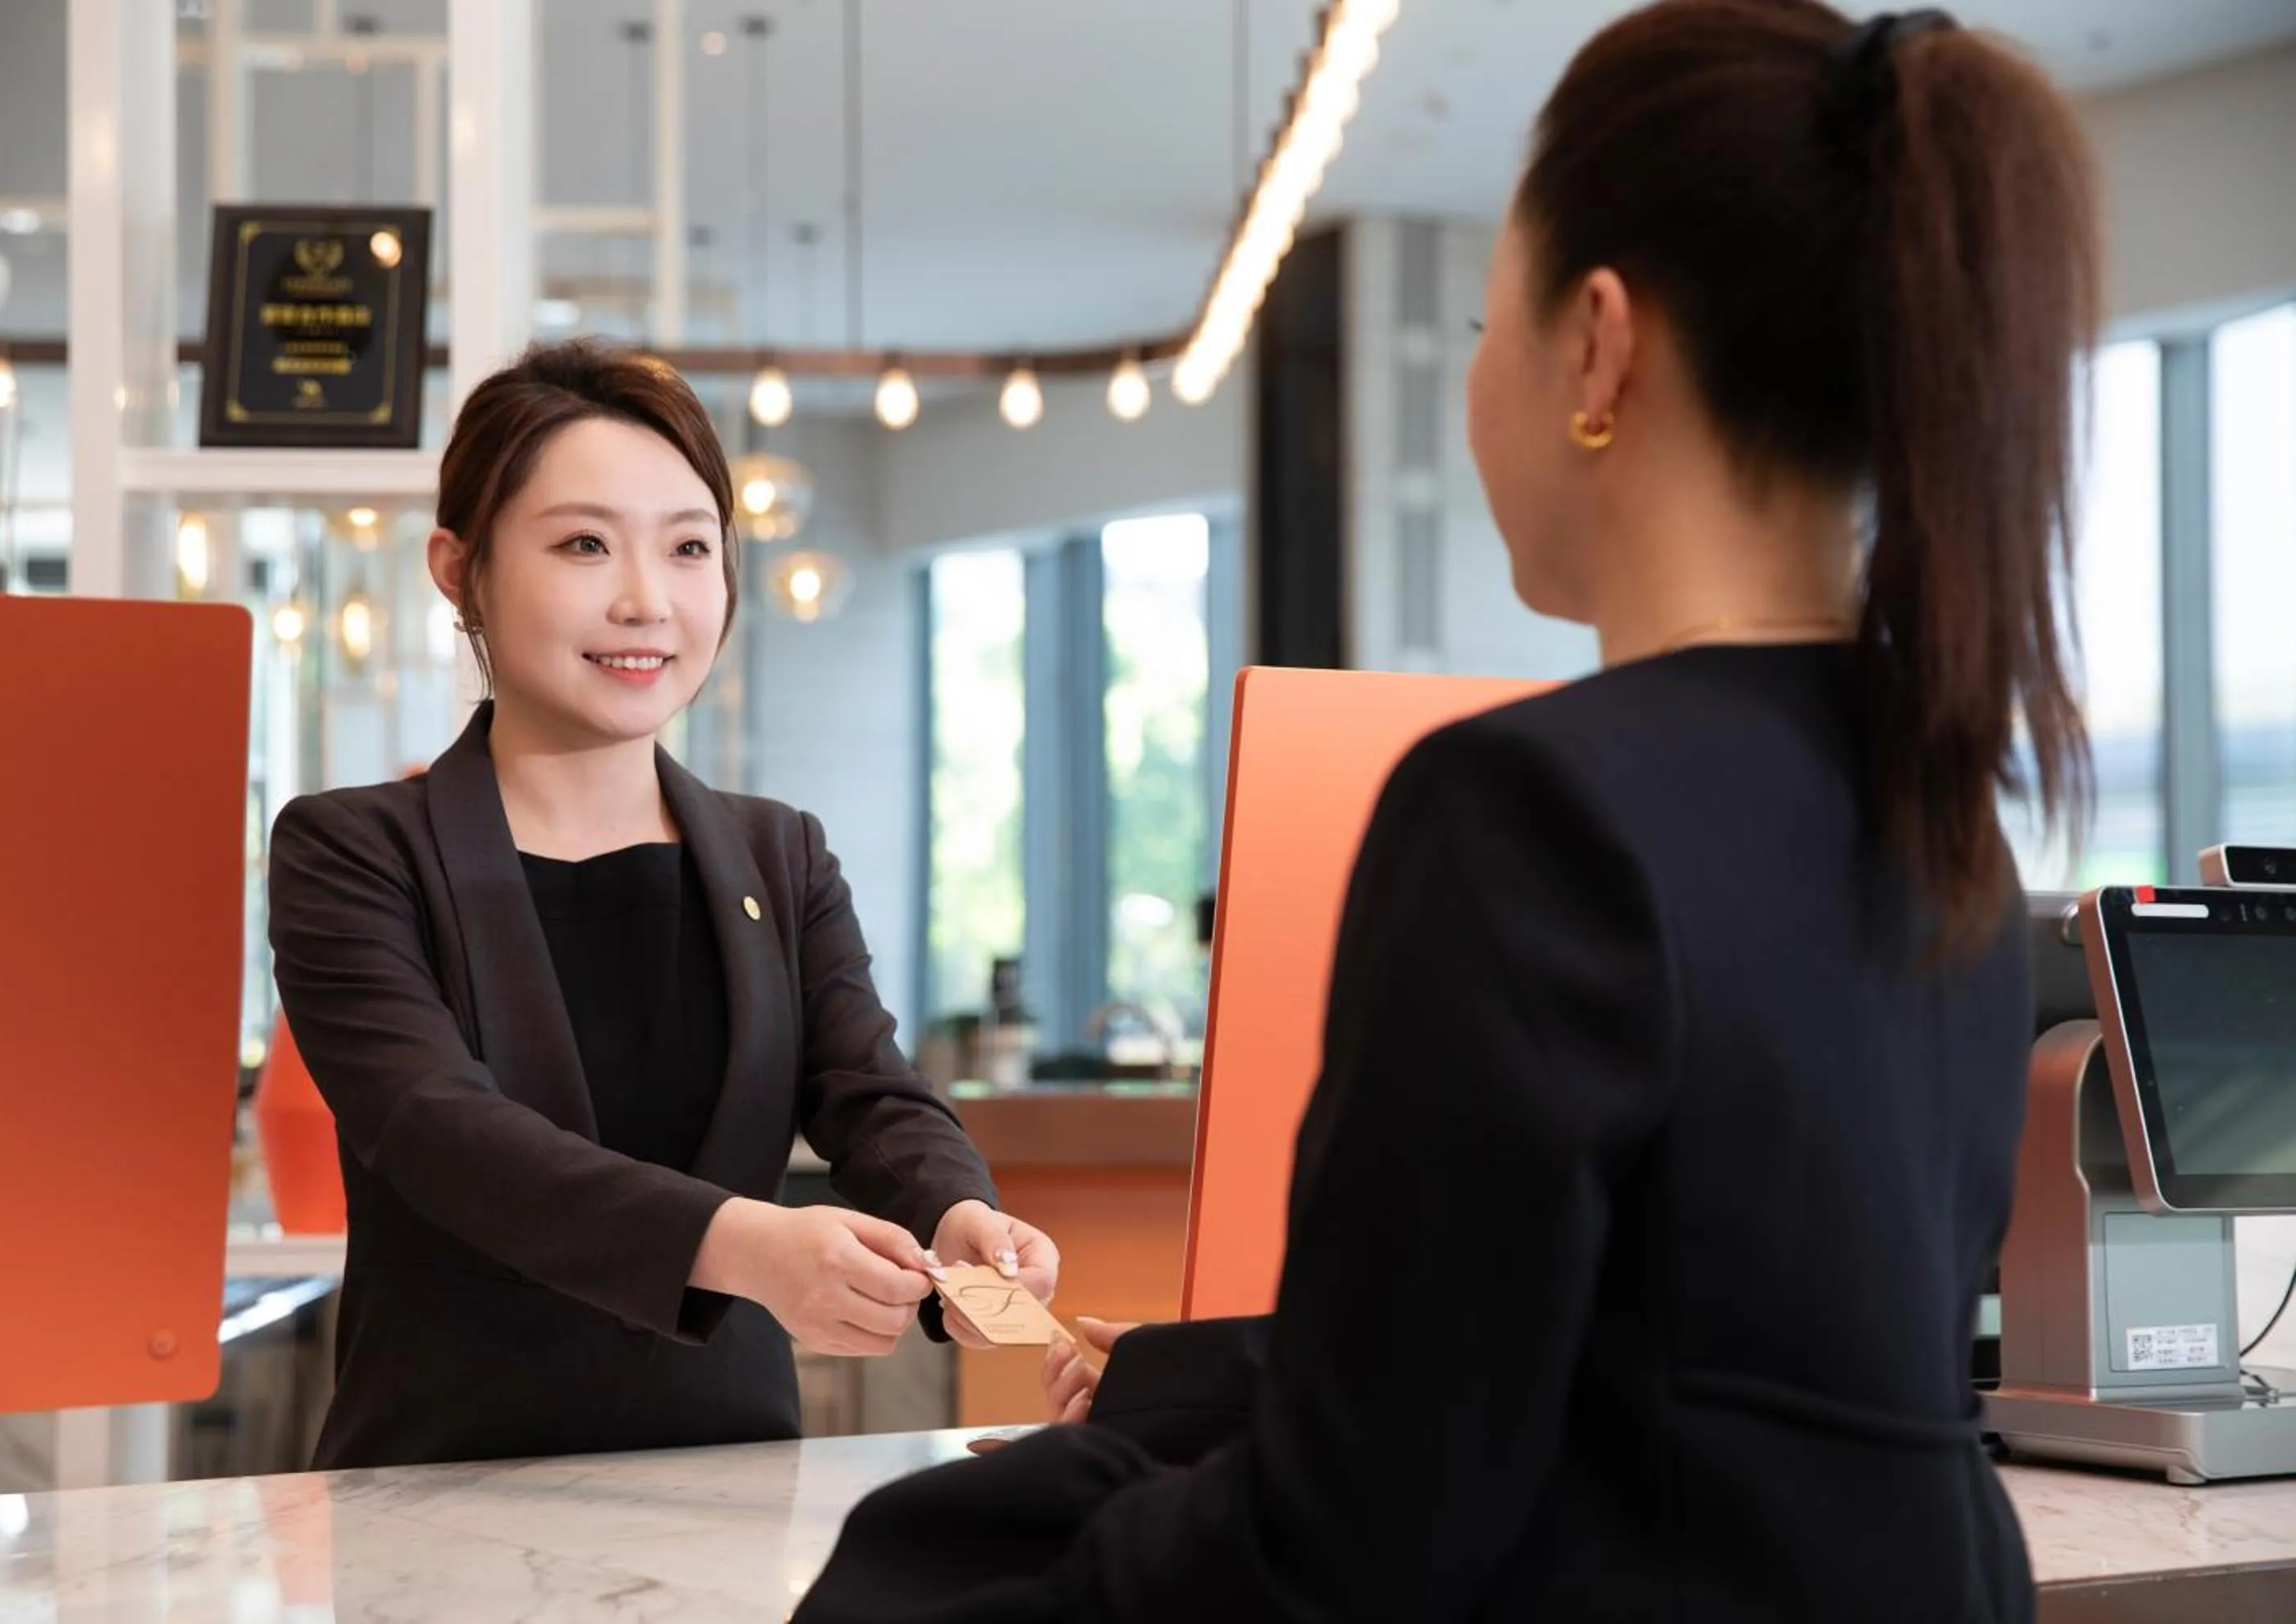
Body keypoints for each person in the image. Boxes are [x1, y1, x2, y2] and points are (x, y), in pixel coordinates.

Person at [797, 2, 2095, 1618]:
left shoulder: (1533, 809)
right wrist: (1179, 1382)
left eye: (1489, 321)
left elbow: (1354, 1538)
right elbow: (1652, 1352)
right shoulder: (1939, 809)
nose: (1479, 380)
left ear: (1599, 345)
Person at [267, 340, 1060, 1470]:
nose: (647, 601)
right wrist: (752, 1247)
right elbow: (442, 1133)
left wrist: (958, 1215)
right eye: (585, 544)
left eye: (690, 548)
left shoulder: (778, 853)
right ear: (460, 569)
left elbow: (867, 1088)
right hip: (443, 1481)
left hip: (729, 1477)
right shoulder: (355, 850)